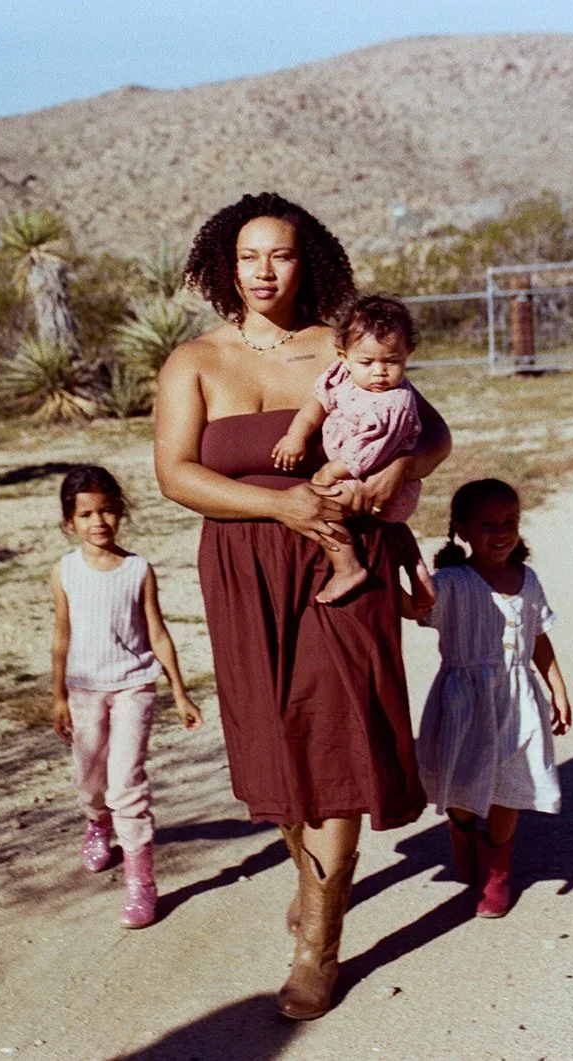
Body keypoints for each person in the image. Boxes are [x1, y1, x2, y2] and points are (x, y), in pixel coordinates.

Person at [153, 192, 450, 1020]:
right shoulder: (195, 362)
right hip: (246, 565)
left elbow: (430, 433)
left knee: (342, 726)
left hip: (343, 559)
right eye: (249, 255)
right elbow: (176, 473)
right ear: (225, 264)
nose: (263, 270)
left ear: (305, 259)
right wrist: (276, 505)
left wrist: (397, 474)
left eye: (279, 254)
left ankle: (318, 943)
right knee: (277, 737)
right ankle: (313, 879)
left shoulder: (343, 346)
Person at [407, 478, 573, 918]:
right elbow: (412, 607)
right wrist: (401, 564)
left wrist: (557, 686)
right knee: (463, 779)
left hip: (519, 702)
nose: (500, 533)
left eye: (510, 522)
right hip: (464, 703)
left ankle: (497, 870)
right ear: (461, 528)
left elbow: (537, 635)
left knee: (509, 784)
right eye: (487, 524)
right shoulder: (452, 583)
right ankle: (462, 831)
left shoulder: (528, 579)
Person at [49, 464, 203, 929]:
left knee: (126, 785)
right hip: (83, 689)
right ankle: (97, 823)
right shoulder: (65, 572)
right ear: (69, 522)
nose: (99, 522)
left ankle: (141, 884)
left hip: (135, 685)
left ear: (121, 514)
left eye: (109, 511)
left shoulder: (138, 570)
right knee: (90, 780)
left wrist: (180, 692)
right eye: (87, 514)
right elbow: (61, 636)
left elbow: (157, 633)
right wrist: (57, 695)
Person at [271, 294, 429, 605]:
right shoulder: (342, 376)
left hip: (369, 478)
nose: (379, 372)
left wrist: (332, 470)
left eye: (392, 361)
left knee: (318, 506)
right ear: (344, 356)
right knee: (364, 523)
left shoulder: (394, 402)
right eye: (367, 362)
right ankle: (411, 564)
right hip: (353, 473)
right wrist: (296, 435)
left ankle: (348, 568)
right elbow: (317, 403)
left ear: (408, 353)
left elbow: (370, 453)